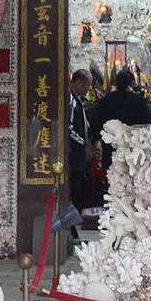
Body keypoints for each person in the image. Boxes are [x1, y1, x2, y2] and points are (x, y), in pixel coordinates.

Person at [90, 69, 151, 172]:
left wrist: (96, 139)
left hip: (111, 148)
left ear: (115, 83)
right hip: (133, 148)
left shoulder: (105, 101)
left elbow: (95, 124)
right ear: (131, 83)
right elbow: (147, 125)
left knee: (112, 178)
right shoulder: (139, 101)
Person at [67, 70, 94, 210]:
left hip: (79, 154)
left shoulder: (77, 99)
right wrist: (83, 144)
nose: (88, 89)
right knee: (74, 185)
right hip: (74, 153)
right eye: (87, 85)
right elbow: (68, 128)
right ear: (78, 82)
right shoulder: (71, 99)